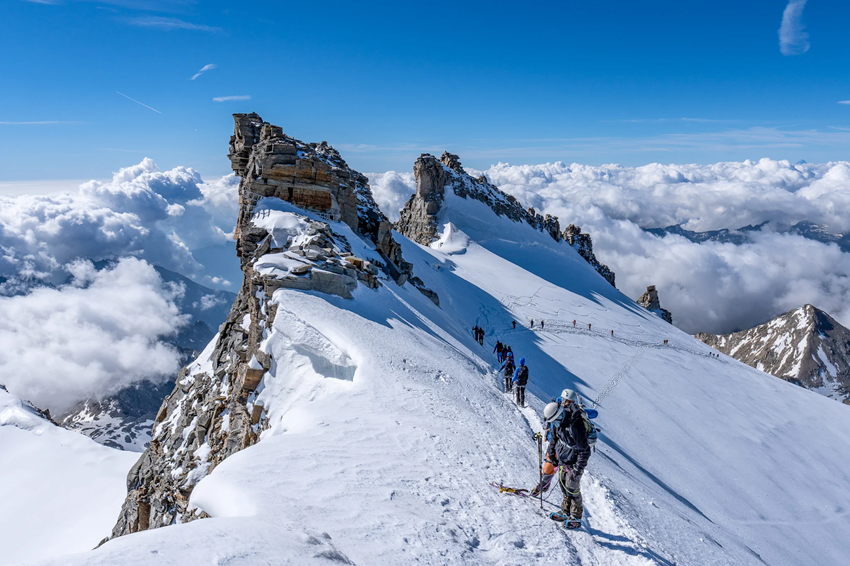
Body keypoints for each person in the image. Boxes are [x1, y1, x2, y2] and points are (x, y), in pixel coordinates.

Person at [543, 390, 591, 529]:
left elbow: (585, 450)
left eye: (555, 421)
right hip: (563, 458)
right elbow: (554, 439)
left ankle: (576, 516)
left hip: (574, 461)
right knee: (563, 485)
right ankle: (565, 511)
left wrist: (577, 469)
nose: (554, 424)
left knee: (573, 488)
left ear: (559, 415)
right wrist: (552, 455)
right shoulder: (557, 422)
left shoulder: (575, 425)